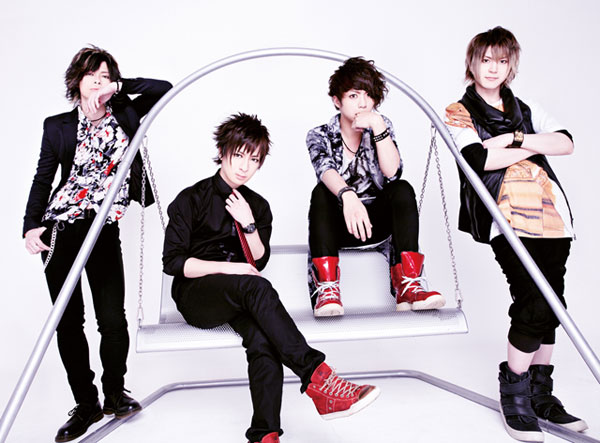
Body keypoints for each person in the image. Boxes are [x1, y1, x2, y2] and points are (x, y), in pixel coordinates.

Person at [162, 113, 380, 443]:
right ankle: (318, 378)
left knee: (263, 340)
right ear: (222, 152)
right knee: (254, 286)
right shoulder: (191, 199)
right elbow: (174, 262)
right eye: (239, 155)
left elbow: (258, 260)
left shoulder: (258, 206)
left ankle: (265, 434)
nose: (244, 167)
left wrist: (248, 224)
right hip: (197, 294)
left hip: (240, 295)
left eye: (253, 160)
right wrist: (231, 269)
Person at [445, 26, 587, 442]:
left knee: (552, 302)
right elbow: (476, 159)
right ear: (472, 63)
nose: (493, 68)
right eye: (486, 59)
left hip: (553, 218)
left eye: (502, 61)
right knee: (532, 300)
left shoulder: (526, 107)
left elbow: (566, 143)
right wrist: (533, 146)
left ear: (511, 66)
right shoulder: (459, 110)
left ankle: (541, 395)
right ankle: (515, 394)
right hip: (505, 216)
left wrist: (513, 139)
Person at [23, 45, 172, 442]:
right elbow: (43, 179)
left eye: (105, 76)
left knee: (112, 318)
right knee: (68, 321)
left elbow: (165, 87)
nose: (99, 82)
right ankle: (85, 404)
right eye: (92, 76)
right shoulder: (57, 126)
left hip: (104, 226)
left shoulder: (126, 114)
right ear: (77, 81)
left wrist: (119, 88)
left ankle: (114, 393)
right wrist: (30, 226)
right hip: (62, 229)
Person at [306, 56, 445, 317]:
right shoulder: (319, 134)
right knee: (321, 193)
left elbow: (392, 173)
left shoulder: (381, 126)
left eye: (368, 95)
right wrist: (348, 196)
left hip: (377, 226)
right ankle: (327, 289)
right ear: (337, 100)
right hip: (338, 226)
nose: (362, 103)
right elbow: (325, 171)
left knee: (401, 188)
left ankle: (409, 285)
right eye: (353, 95)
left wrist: (379, 127)